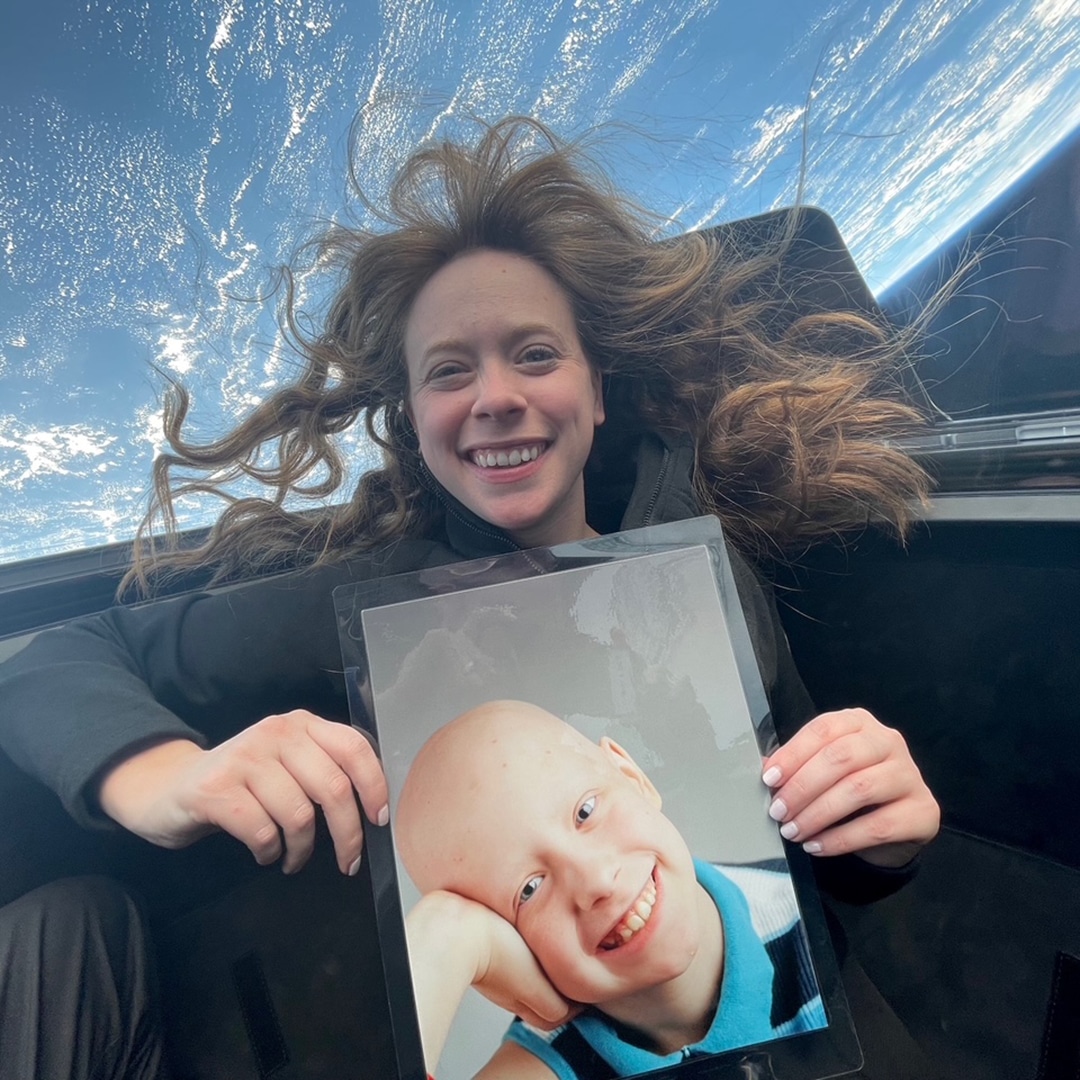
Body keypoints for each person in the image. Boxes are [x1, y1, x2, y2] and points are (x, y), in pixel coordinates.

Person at [0, 117, 940, 1079]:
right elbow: (58, 661)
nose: (494, 395)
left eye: (535, 354)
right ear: (414, 418)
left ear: (597, 388)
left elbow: (817, 857)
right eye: (450, 370)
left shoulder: (707, 570)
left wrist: (877, 828)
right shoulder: (364, 600)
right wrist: (166, 780)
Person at [396, 700, 827, 1079]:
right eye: (529, 890)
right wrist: (441, 940)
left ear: (631, 775)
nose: (597, 881)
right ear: (502, 966)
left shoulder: (818, 910)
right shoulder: (545, 1067)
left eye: (585, 811)